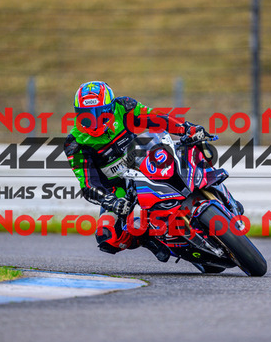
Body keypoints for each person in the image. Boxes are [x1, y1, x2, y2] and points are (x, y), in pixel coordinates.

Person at [63, 81, 210, 262]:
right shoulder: (74, 143)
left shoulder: (123, 106)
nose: (94, 123)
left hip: (146, 163)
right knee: (106, 236)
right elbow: (88, 184)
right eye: (87, 117)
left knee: (193, 153)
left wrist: (187, 128)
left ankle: (214, 190)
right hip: (120, 188)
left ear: (110, 109)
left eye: (100, 115)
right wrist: (110, 200)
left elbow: (156, 117)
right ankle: (148, 239)